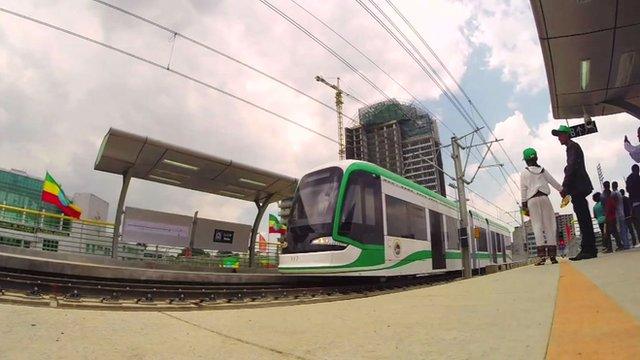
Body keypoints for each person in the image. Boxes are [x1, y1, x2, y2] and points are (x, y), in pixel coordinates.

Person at [552, 125, 596, 260]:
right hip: (579, 187)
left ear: (566, 135)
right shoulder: (572, 147)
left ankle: (588, 249)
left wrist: (564, 187)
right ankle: (589, 248)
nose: (558, 138)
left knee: (583, 218)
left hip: (577, 188)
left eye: (560, 135)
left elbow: (571, 167)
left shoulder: (572, 147)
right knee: (584, 218)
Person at [520, 148, 562, 265]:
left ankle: (541, 257)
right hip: (544, 199)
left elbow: (523, 189)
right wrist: (562, 191)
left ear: (526, 161)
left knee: (537, 226)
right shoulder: (543, 171)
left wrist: (524, 206)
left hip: (531, 201)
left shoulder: (524, 173)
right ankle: (553, 256)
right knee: (550, 226)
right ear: (536, 158)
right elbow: (553, 182)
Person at [612, 182, 630, 249]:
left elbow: (614, 204)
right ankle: (627, 244)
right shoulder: (619, 193)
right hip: (622, 213)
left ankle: (624, 245)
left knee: (619, 230)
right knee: (624, 230)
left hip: (618, 214)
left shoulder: (614, 193)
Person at [625, 164, 640, 247]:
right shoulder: (638, 177)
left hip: (633, 204)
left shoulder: (629, 179)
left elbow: (628, 190)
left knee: (637, 225)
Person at [603, 188, 621, 252]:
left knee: (609, 233)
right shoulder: (611, 200)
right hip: (612, 218)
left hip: (610, 218)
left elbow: (608, 210)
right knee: (614, 232)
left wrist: (606, 218)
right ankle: (619, 245)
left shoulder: (609, 201)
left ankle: (611, 248)